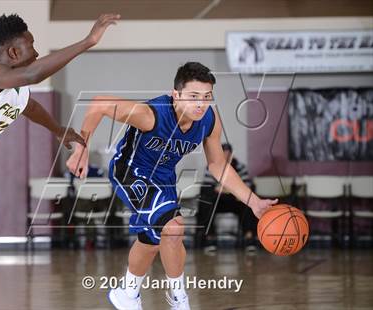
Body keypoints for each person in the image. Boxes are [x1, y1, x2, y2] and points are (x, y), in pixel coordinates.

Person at [67, 62, 278, 309]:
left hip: (164, 179)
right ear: (175, 94)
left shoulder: (209, 119)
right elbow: (100, 103)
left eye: (207, 97)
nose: (201, 103)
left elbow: (218, 165)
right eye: (193, 96)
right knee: (174, 228)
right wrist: (81, 148)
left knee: (152, 240)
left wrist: (253, 201)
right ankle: (179, 301)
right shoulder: (152, 114)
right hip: (131, 172)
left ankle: (127, 293)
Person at [0, 13, 120, 302]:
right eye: (31, 44)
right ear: (14, 52)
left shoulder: (16, 90)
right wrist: (88, 41)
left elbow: (29, 106)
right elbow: (33, 74)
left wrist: (58, 130)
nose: (37, 51)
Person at [195, 143, 258, 251]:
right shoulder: (212, 167)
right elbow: (208, 188)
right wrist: (233, 189)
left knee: (248, 202)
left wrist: (224, 189)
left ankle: (249, 238)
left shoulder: (240, 167)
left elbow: (247, 187)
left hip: (235, 202)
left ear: (231, 155)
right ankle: (210, 238)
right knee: (206, 202)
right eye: (223, 154)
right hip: (218, 201)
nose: (226, 157)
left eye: (228, 154)